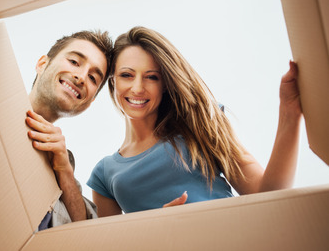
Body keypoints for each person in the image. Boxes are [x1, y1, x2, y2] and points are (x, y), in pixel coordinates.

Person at [86, 26, 302, 217]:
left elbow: (269, 194)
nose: (138, 88)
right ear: (112, 81)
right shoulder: (104, 173)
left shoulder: (199, 125)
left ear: (165, 84)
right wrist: (155, 229)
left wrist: (289, 113)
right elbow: (112, 243)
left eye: (152, 77)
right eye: (127, 75)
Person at [25, 30, 113, 229]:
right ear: (42, 64)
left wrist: (64, 170)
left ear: (88, 103)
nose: (81, 77)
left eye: (92, 78)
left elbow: (82, 230)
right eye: (74, 62)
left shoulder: (62, 162)